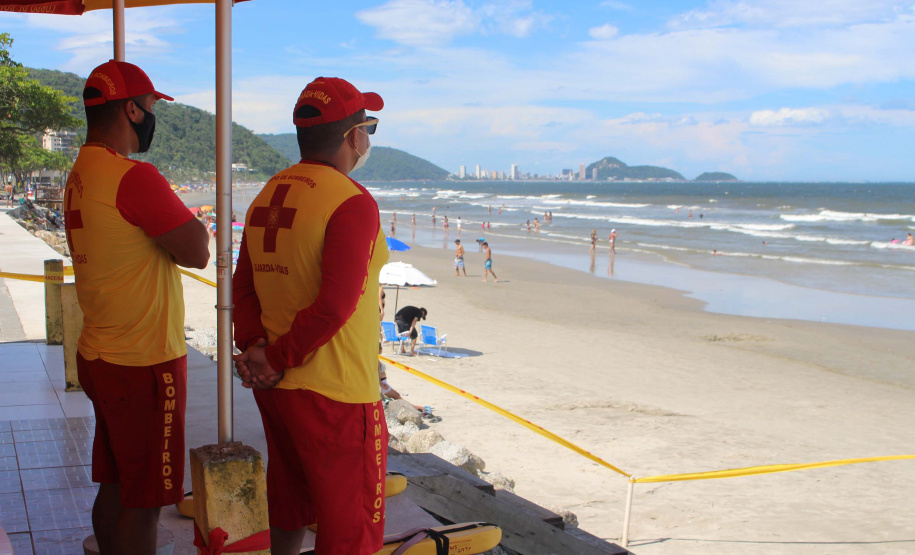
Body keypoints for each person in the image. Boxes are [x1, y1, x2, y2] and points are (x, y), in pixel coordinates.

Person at [232, 76, 388, 555]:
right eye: (369, 127)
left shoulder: (269, 193)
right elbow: (336, 305)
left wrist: (256, 349)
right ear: (351, 136)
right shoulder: (352, 201)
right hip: (337, 391)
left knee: (290, 497)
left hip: (279, 390)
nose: (368, 137)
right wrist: (275, 356)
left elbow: (244, 284)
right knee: (352, 528)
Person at [66, 60, 209, 555]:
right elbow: (197, 250)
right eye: (150, 107)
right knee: (145, 498)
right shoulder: (134, 177)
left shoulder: (81, 171)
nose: (152, 116)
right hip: (143, 361)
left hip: (100, 352)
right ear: (131, 108)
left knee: (117, 482)